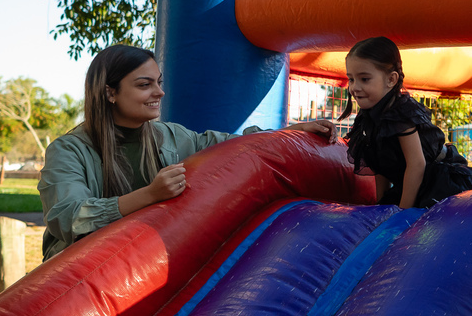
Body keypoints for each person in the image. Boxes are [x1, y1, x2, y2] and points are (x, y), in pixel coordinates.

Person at [39, 44, 335, 260]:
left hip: (145, 261)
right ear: (110, 93)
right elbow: (68, 217)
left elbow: (233, 145)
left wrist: (290, 132)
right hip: (83, 273)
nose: (159, 92)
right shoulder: (69, 150)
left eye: (159, 82)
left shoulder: (169, 136)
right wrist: (150, 195)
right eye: (144, 85)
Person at [340, 37, 472, 208]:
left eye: (364, 79)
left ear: (391, 80)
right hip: (414, 182)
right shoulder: (369, 118)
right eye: (351, 79)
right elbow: (381, 165)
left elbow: (416, 164)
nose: (354, 87)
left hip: (440, 179)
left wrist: (403, 211)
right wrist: (381, 204)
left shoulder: (401, 112)